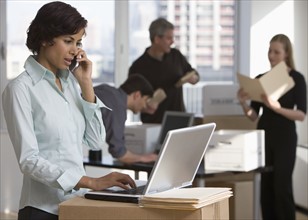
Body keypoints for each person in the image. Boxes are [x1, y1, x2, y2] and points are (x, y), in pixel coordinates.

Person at [2, 2, 136, 219]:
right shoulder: (20, 89)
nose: (76, 50)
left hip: (75, 206)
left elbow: (95, 141)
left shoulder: (71, 85)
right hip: (41, 210)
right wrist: (91, 182)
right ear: (46, 39)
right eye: (68, 41)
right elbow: (29, 160)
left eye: (79, 42)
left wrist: (86, 85)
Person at [237, 34, 306, 220]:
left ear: (286, 54)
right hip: (264, 136)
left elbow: (301, 115)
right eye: (270, 51)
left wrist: (277, 107)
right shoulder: (261, 79)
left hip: (285, 138)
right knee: (265, 187)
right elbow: (253, 116)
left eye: (276, 52)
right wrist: (243, 103)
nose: (272, 56)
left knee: (281, 187)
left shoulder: (297, 79)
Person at [128, 17, 199, 124]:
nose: (172, 42)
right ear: (157, 39)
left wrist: (194, 78)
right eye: (169, 38)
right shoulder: (138, 67)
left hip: (179, 118)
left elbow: (194, 73)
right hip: (153, 122)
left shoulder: (176, 56)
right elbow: (131, 100)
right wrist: (145, 106)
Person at [94, 74, 158, 164]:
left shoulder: (106, 89)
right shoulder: (118, 106)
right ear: (137, 95)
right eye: (146, 100)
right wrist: (144, 157)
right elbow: (120, 154)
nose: (144, 106)